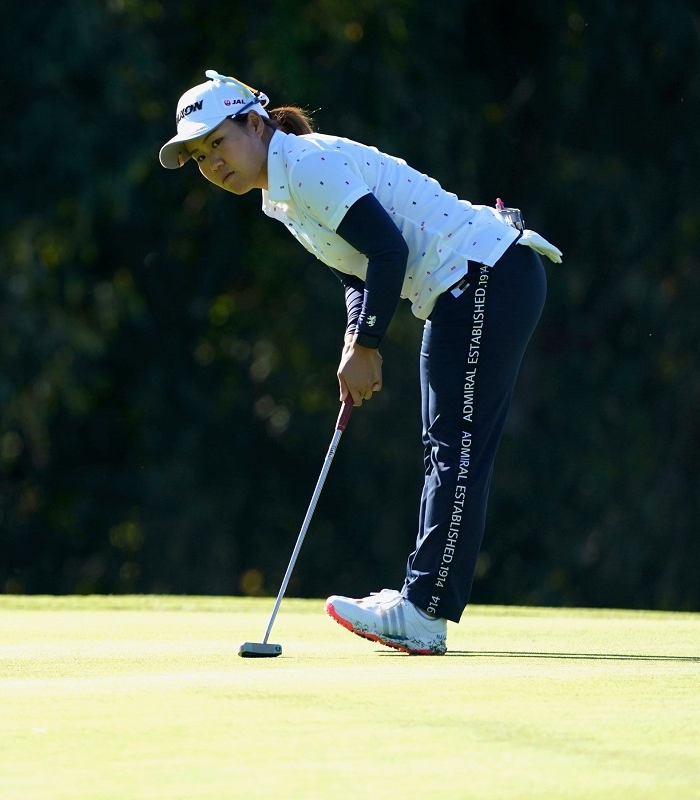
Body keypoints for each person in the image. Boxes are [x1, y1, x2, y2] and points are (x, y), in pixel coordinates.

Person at [158, 70, 562, 655]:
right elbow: (358, 265)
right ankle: (419, 598)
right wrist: (355, 340)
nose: (211, 164)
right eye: (198, 157)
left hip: (484, 275)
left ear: (254, 123)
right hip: (465, 286)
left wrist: (370, 343)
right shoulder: (282, 190)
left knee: (456, 447)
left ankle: (423, 611)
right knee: (444, 444)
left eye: (216, 143)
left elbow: (389, 250)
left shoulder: (305, 166)